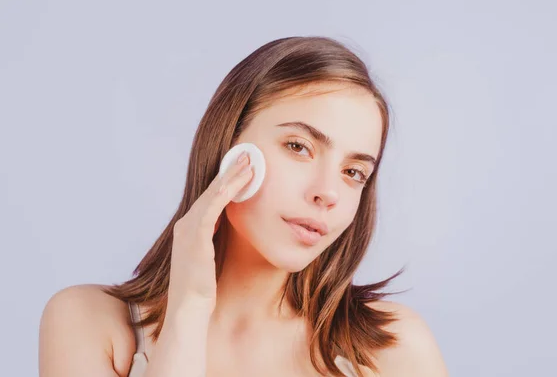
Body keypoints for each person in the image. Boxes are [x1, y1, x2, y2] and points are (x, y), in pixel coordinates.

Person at [38, 36, 448, 377]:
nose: (329, 193)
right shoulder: (88, 324)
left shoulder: (393, 349)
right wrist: (189, 310)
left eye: (354, 172)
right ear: (229, 147)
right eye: (298, 147)